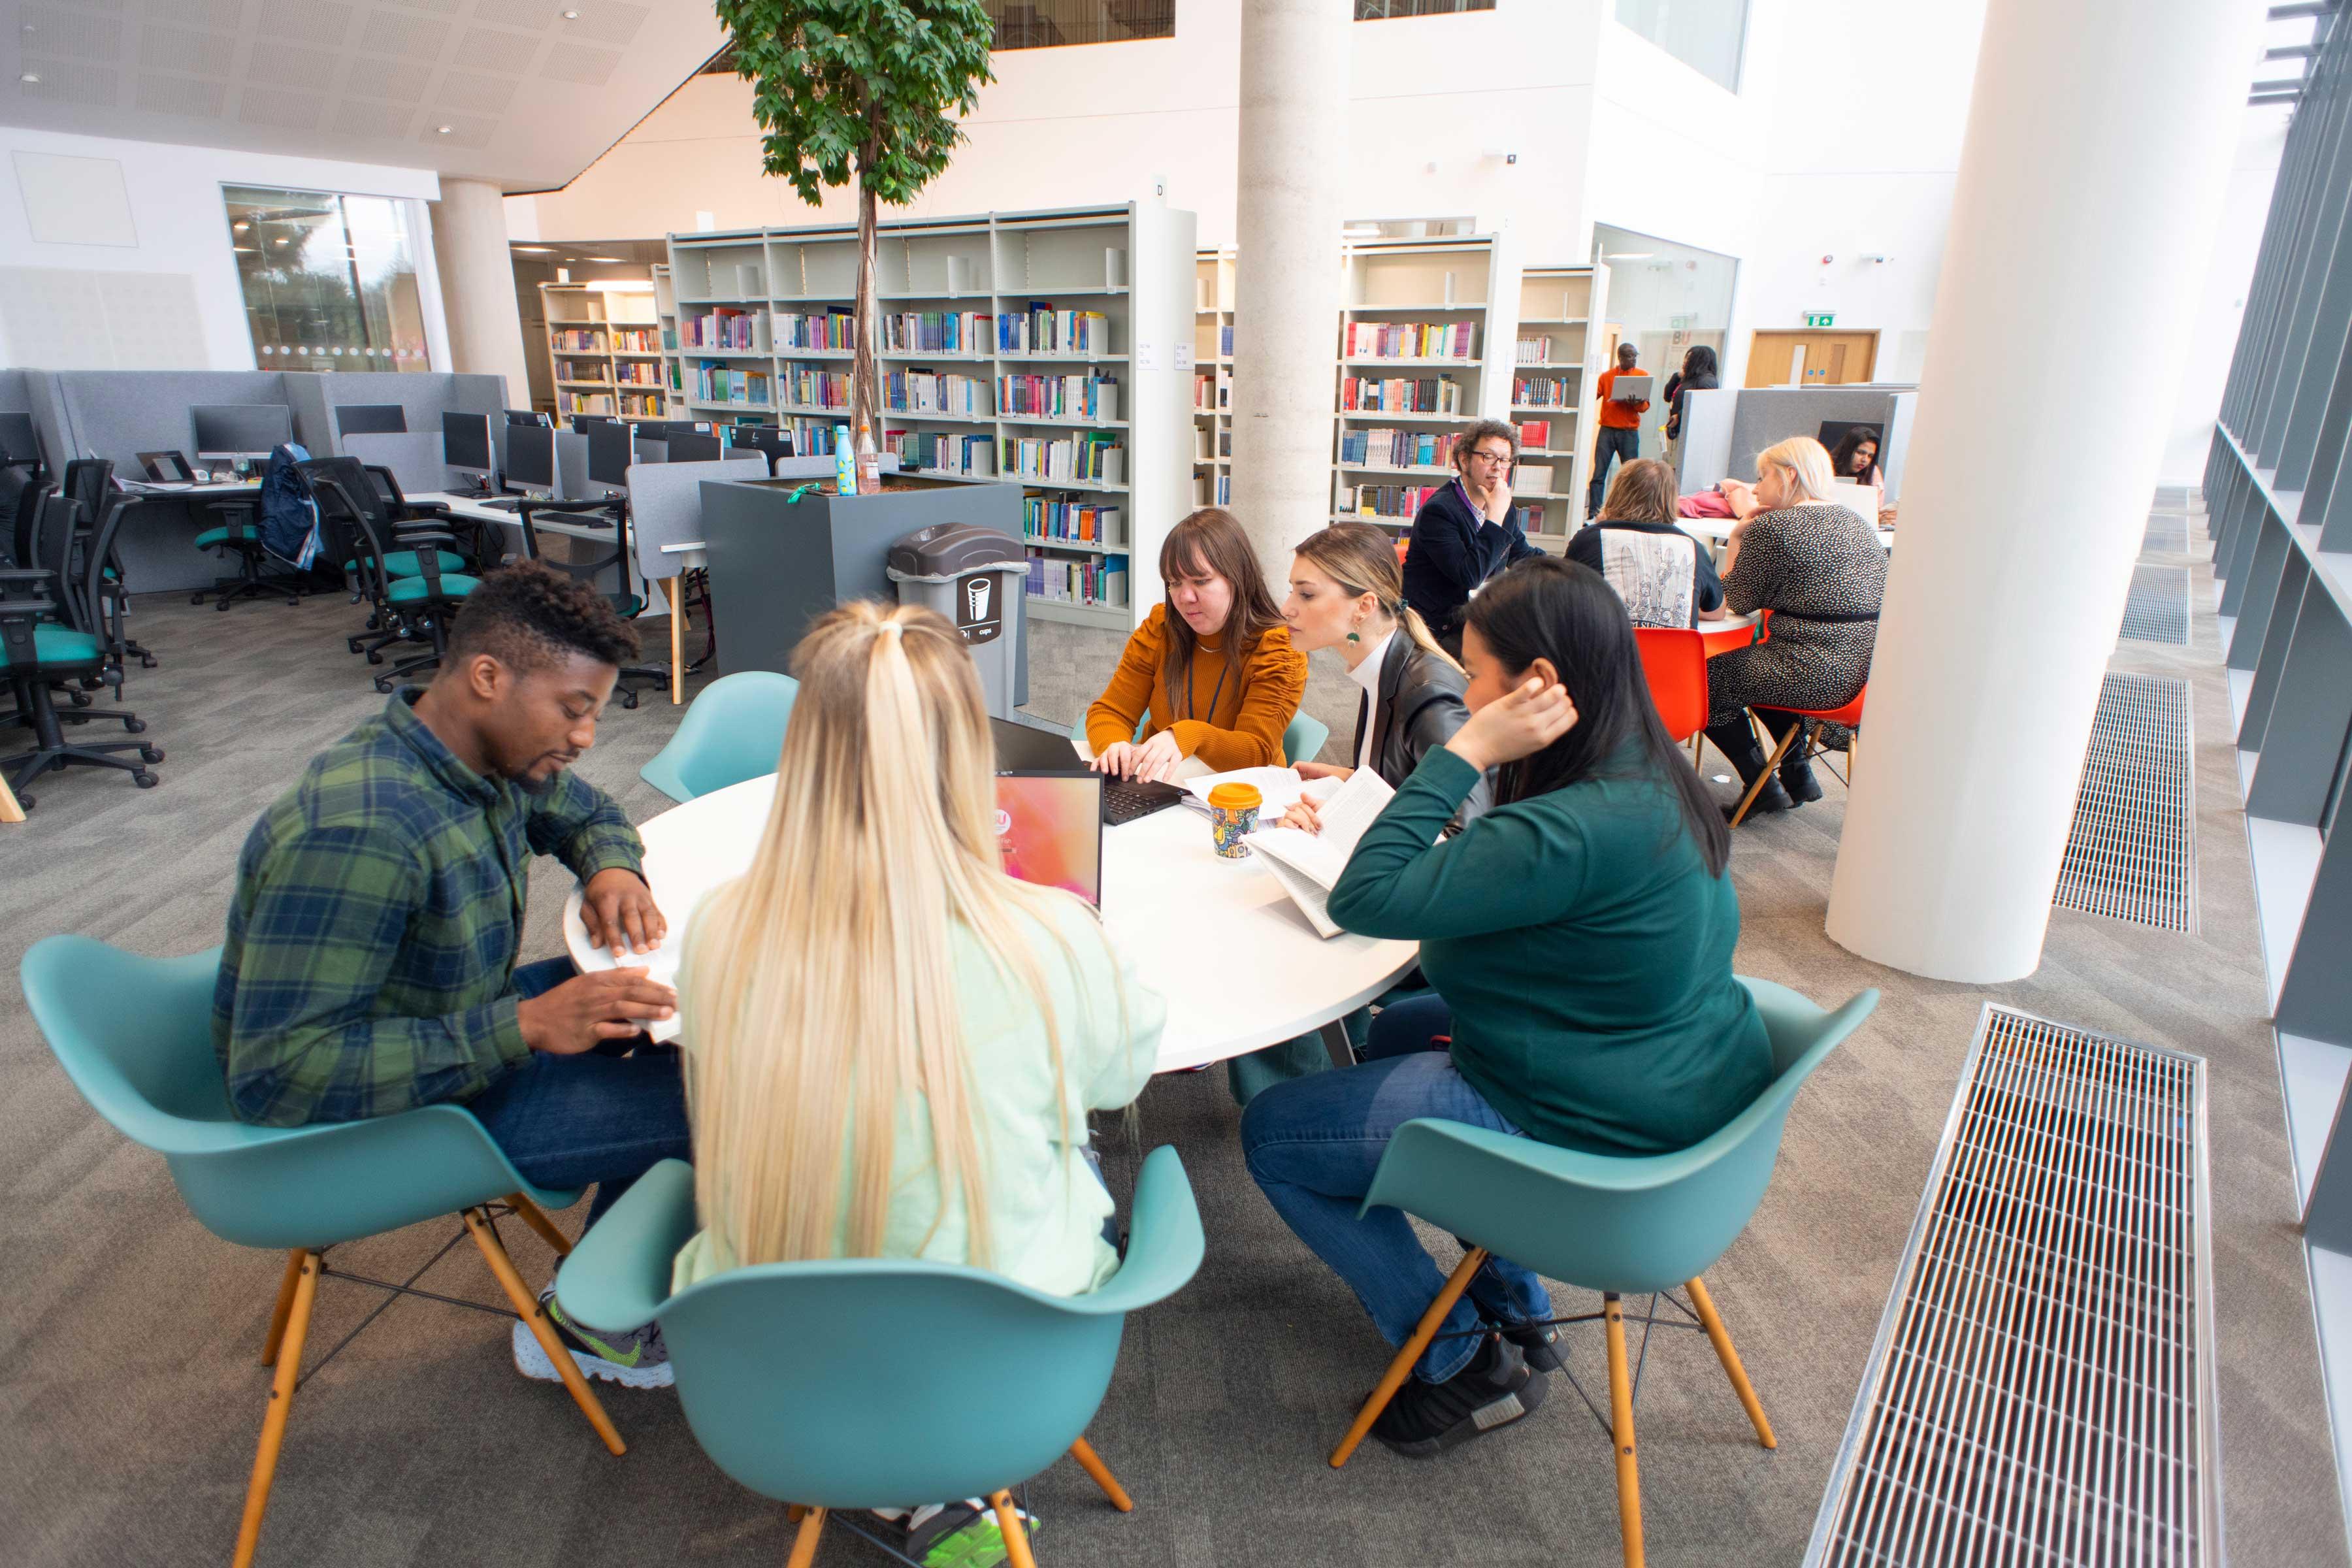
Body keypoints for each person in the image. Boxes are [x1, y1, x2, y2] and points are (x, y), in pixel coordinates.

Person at [1239, 554, 1770, 1459]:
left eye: (1475, 672)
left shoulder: (1565, 825)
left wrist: (1467, 751)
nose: (1461, 682)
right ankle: (1518, 1309)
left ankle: (1454, 1359)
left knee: (1274, 1134)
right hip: (1667, 1080)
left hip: (1588, 1125)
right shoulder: (1649, 773)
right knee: (1392, 1031)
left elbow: (1363, 898)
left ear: (1536, 687)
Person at [674, 600, 1164, 1565]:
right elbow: (1124, 1076)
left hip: (773, 1371)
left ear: (805, 748)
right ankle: (947, 1486)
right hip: (1006, 1364)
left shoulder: (718, 926)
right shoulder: (1049, 935)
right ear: (967, 757)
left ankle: (899, 1489)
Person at [213, 560, 690, 1387]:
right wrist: (529, 1028)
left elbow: (588, 811)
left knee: (661, 1025)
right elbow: (276, 1075)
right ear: (487, 676)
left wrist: (612, 868)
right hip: (416, 1111)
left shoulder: (485, 758)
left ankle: (612, 1279)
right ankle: (591, 1326)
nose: (583, 738)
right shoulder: (363, 829)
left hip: (462, 1021)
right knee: (733, 1105)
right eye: (574, 710)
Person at [1222, 521, 1491, 1106]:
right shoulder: (1385, 669)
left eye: (1307, 594)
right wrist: (1355, 786)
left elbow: (1466, 833)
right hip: (1392, 879)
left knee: (1265, 932)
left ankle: (1304, 1101)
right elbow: (1417, 789)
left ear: (1363, 607)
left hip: (1432, 922)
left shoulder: (1428, 688)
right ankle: (1328, 1065)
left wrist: (1361, 812)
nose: (1288, 607)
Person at [1704, 436, 1887, 815]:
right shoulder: (1857, 523)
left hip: (1812, 674)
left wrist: (1738, 534)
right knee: (1754, 667)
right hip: (1863, 676)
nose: (1755, 489)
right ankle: (1796, 770)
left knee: (1706, 678)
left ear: (1789, 476)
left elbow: (1733, 601)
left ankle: (1761, 784)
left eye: (1762, 477)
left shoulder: (1774, 528)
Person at [1085, 507, 1307, 781]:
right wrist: (1113, 745)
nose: (1185, 597)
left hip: (1242, 794)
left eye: (1201, 581)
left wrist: (1189, 735)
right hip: (1162, 785)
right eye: (1175, 583)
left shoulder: (1279, 648)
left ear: (1238, 578)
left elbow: (1255, 752)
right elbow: (1110, 711)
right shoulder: (1160, 628)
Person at [1400, 420, 1541, 657]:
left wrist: (1569, 568)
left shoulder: (1502, 506)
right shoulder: (1440, 512)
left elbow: (1522, 555)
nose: (1498, 468)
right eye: (1488, 457)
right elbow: (1470, 576)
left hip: (1478, 616)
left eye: (1505, 460)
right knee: (1511, 659)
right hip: (1437, 627)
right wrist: (1495, 516)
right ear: (1464, 460)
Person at [1566, 457, 1727, 628]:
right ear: (1671, 500)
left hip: (1605, 652)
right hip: (1673, 654)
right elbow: (1717, 612)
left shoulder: (1588, 541)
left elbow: (1564, 599)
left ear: (1618, 494)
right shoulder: (1693, 548)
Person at [1586, 341, 1650, 517]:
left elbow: (1644, 407)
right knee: (1599, 474)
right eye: (1630, 356)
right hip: (1607, 430)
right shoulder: (1607, 377)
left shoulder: (1642, 375)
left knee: (1632, 476)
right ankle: (1594, 513)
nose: (1633, 359)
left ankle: (1631, 512)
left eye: (1635, 356)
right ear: (1620, 357)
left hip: (1629, 432)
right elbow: (1591, 395)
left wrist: (1635, 402)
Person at [1661, 344, 1720, 468]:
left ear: (1698, 361)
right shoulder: (1687, 378)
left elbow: (1702, 407)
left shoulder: (1706, 381)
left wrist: (1680, 416)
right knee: (1670, 467)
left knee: (1677, 469)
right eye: (1686, 358)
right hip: (1676, 431)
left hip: (1690, 436)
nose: (1685, 361)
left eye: (1689, 358)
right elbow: (1667, 397)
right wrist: (1677, 376)